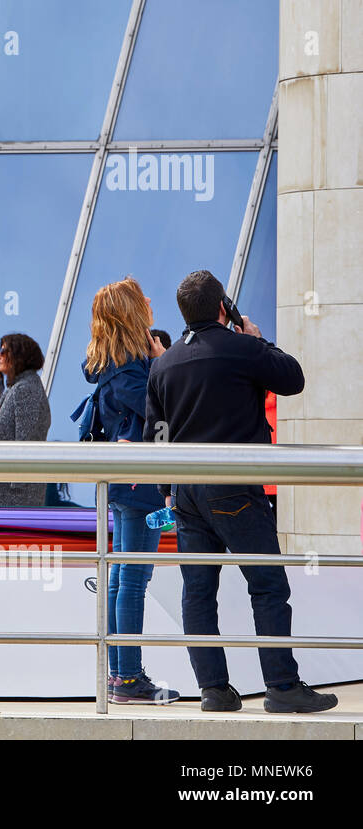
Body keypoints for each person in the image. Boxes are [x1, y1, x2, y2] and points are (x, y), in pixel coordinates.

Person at [145, 269, 335, 713]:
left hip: (187, 493)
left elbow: (156, 438)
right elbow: (293, 378)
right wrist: (257, 338)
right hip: (235, 489)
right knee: (267, 585)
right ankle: (283, 687)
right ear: (221, 307)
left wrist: (166, 490)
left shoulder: (163, 364)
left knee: (197, 592)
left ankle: (214, 690)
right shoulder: (242, 348)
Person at [81, 277, 177, 704]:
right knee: (133, 578)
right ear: (130, 311)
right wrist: (162, 362)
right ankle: (128, 678)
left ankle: (120, 674)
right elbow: (163, 407)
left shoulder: (111, 364)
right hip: (140, 484)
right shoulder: (133, 368)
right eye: (143, 298)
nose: (151, 300)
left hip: (123, 481)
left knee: (123, 576)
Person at [0, 334, 50, 508]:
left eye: (3, 350)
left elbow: (26, 442)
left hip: (13, 496)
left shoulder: (25, 390)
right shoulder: (19, 387)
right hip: (6, 491)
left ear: (19, 356)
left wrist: (17, 488)